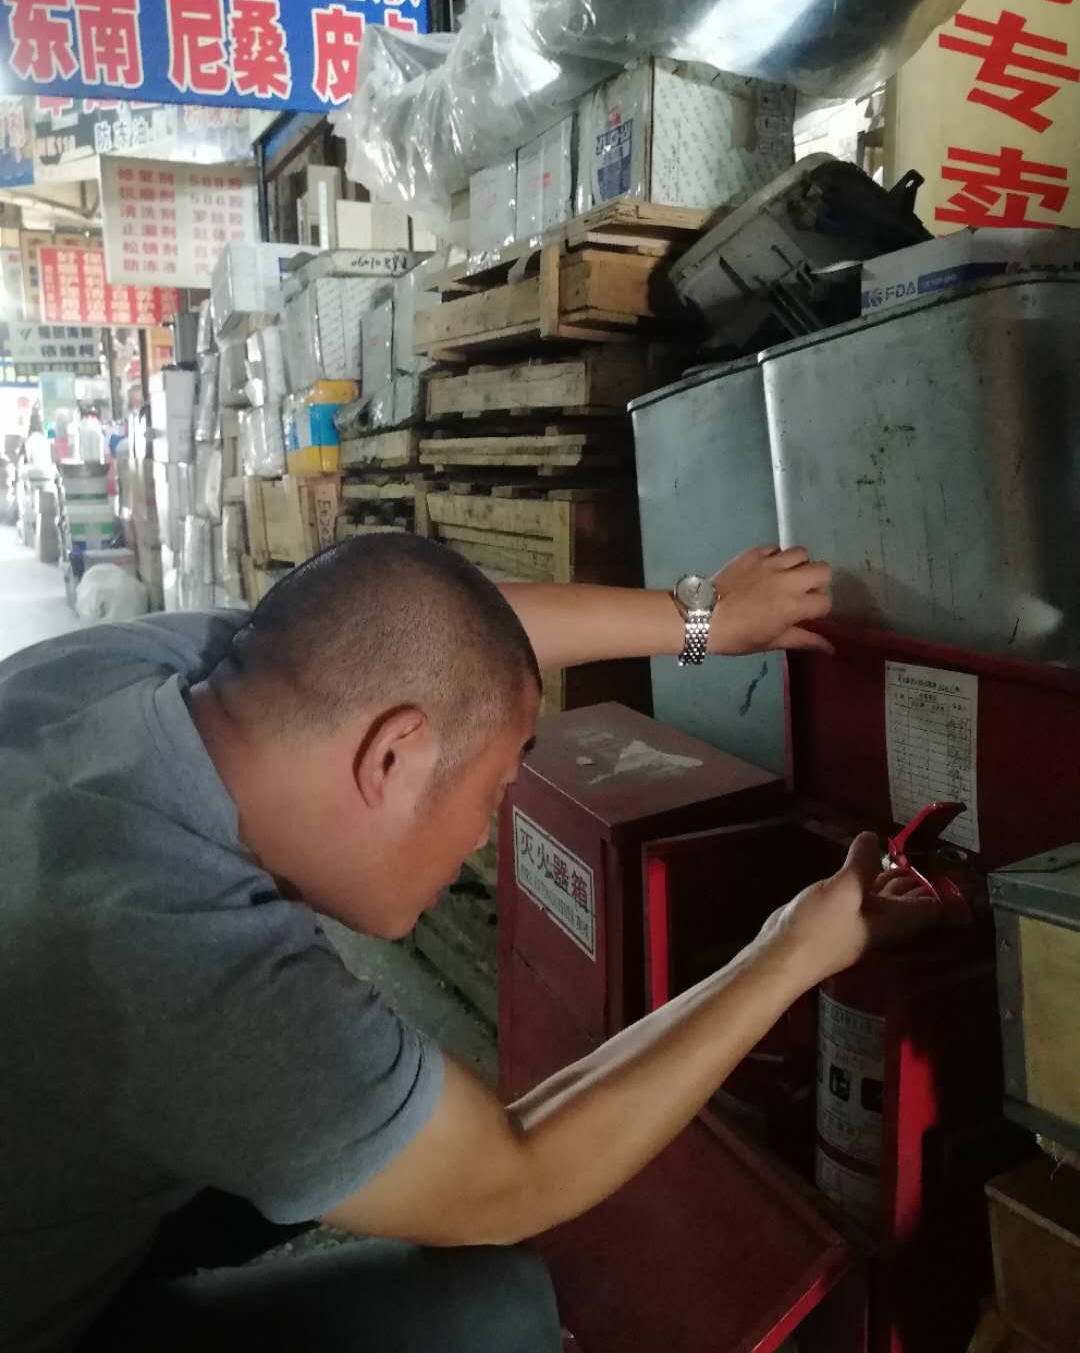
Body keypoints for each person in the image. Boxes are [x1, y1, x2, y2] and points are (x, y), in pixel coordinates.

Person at [0, 537, 938, 1353]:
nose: (486, 834)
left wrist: (703, 619)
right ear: (393, 757)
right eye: (493, 793)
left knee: (327, 1140)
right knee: (492, 1307)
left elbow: (435, 643)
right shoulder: (176, 960)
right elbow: (515, 1173)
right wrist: (794, 950)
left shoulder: (127, 677)